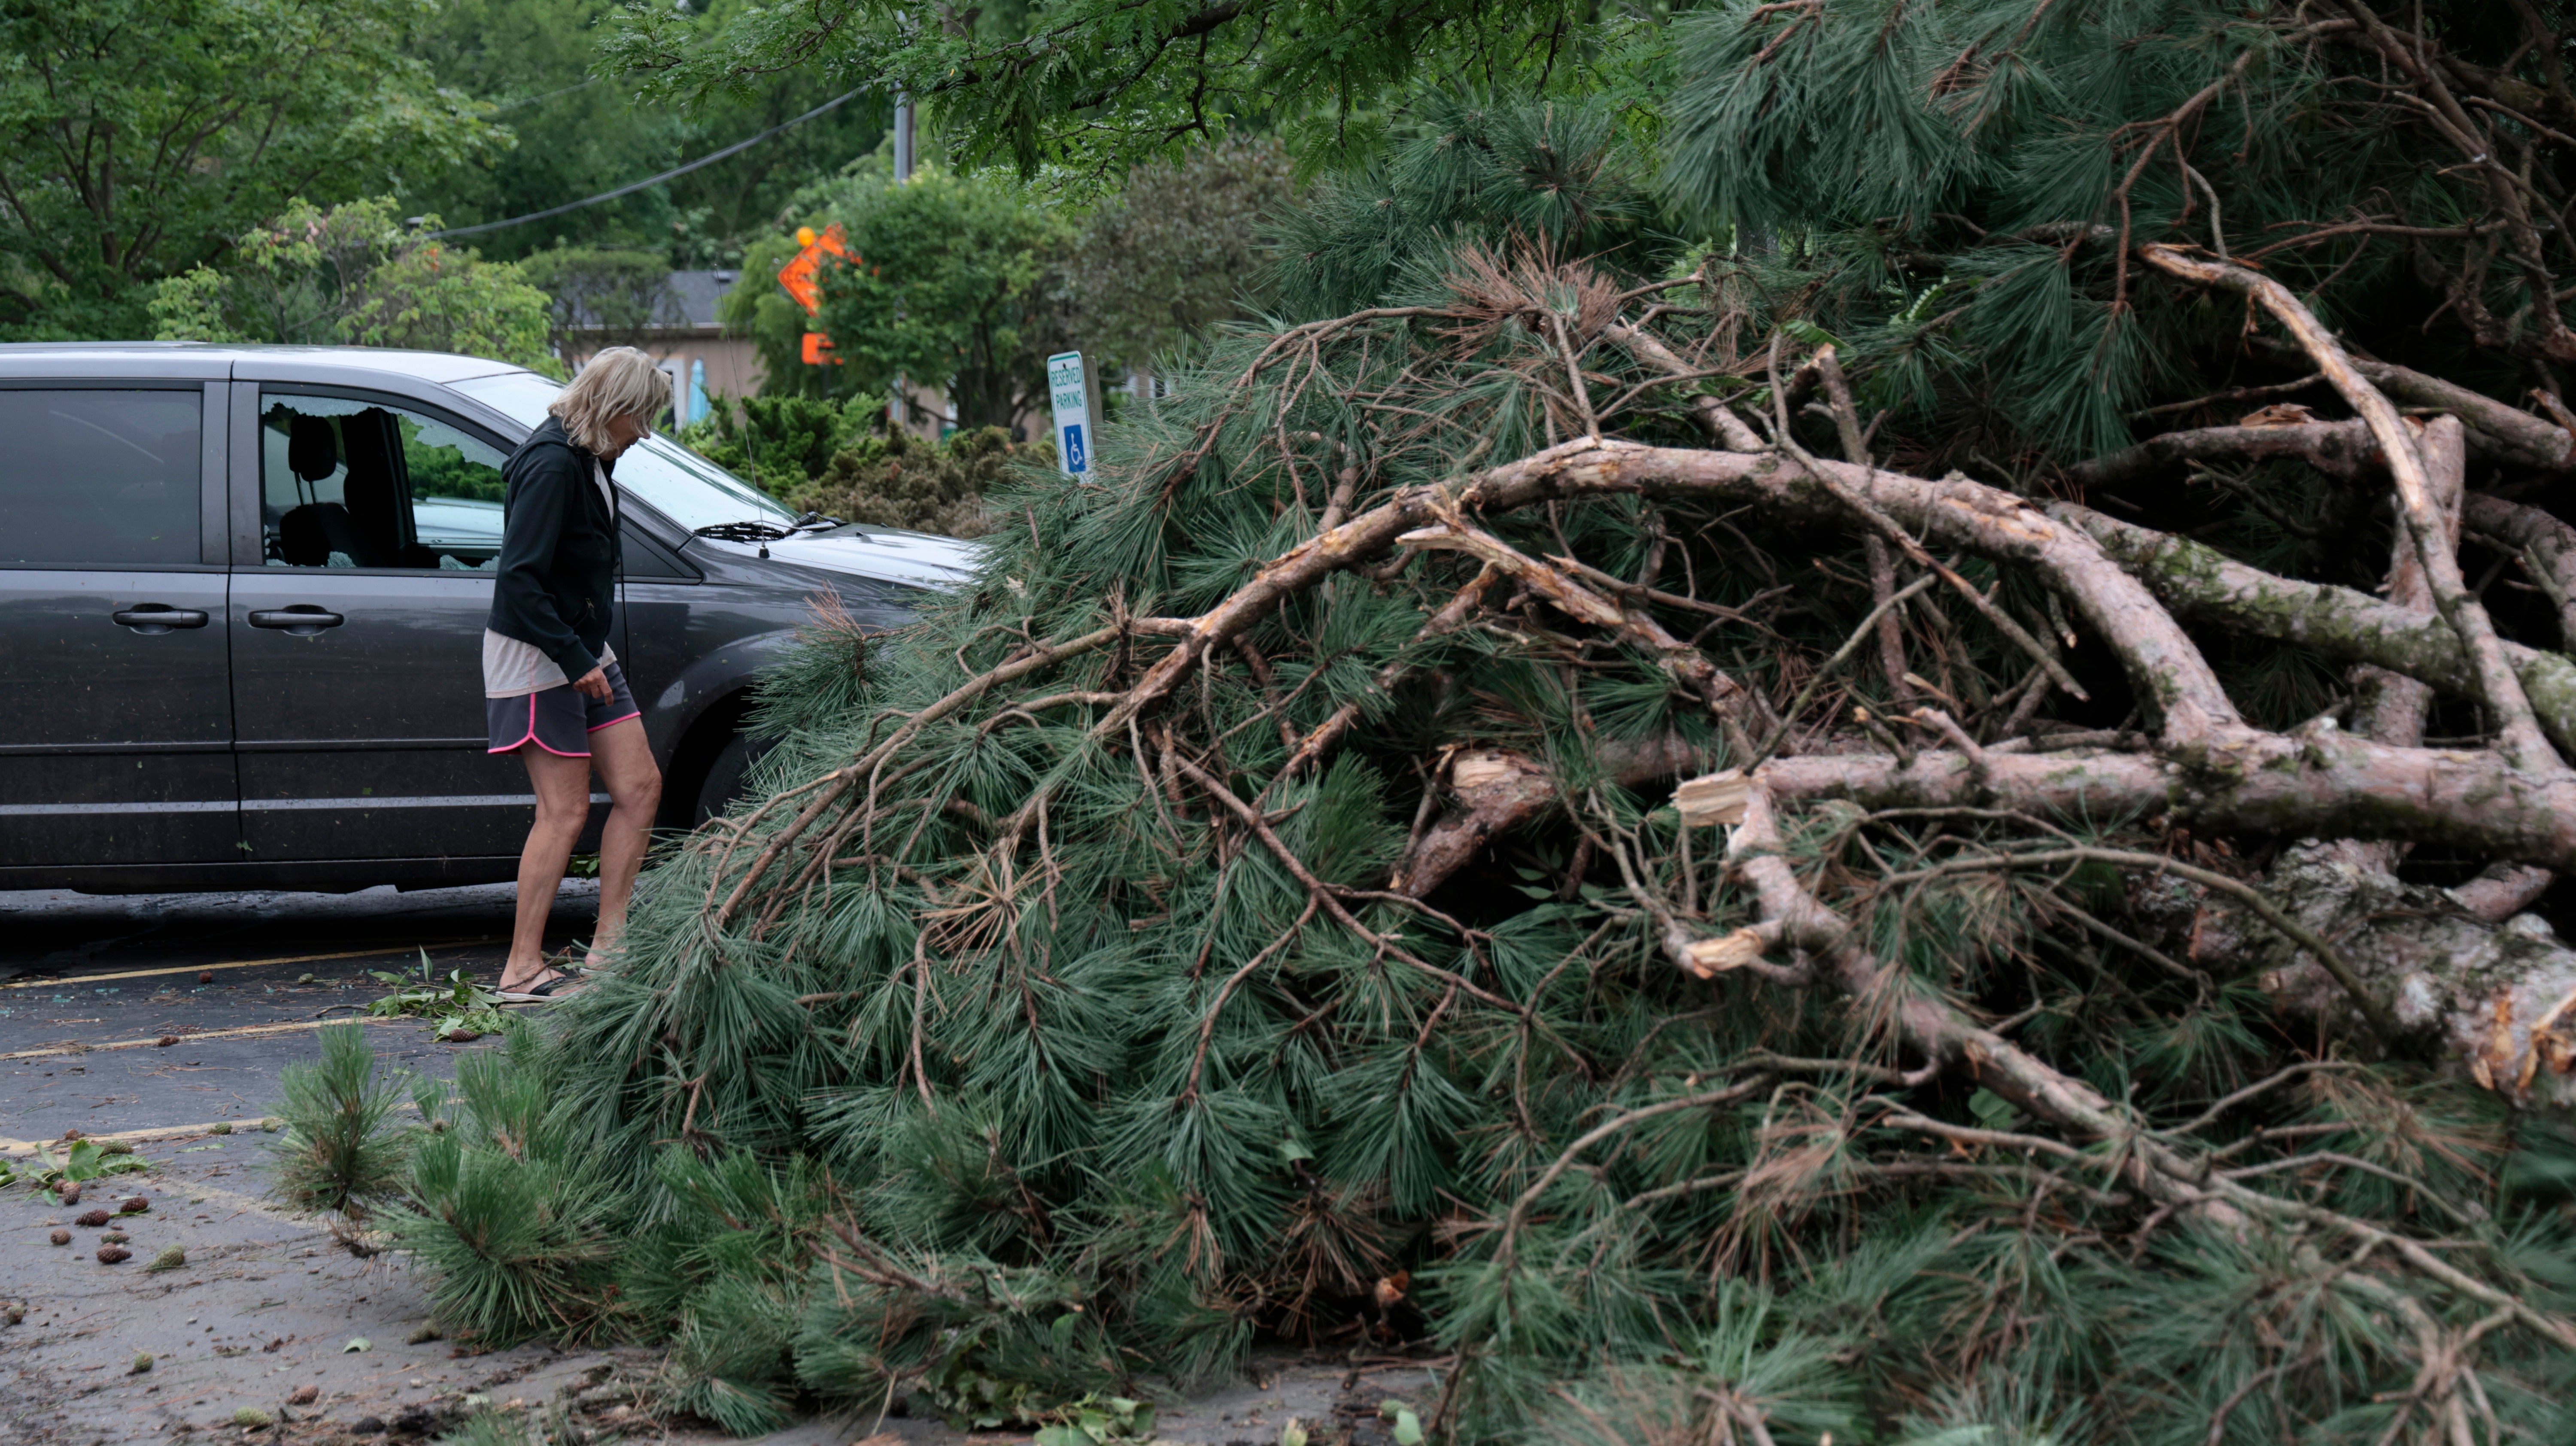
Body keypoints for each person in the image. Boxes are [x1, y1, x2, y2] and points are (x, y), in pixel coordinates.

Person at [483, 348, 666, 999]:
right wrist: (572, 658)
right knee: (563, 813)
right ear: (612, 406)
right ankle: (521, 969)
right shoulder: (551, 464)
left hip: (583, 649)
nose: (643, 434)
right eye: (640, 418)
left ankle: (610, 950)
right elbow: (519, 581)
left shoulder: (590, 457)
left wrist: (587, 653)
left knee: (641, 788)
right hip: (540, 654)